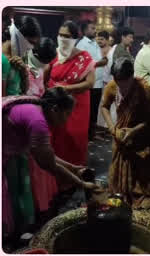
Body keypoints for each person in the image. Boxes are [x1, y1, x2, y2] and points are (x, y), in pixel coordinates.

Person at [2, 88, 100, 241]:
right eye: (67, 114)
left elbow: (49, 156)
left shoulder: (37, 109)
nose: (67, 120)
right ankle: (8, 238)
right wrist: (81, 183)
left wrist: (74, 168)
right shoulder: (38, 122)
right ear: (55, 110)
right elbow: (48, 164)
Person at [99, 58, 150, 203]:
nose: (121, 86)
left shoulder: (145, 91)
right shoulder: (112, 86)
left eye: (125, 82)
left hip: (142, 136)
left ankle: (137, 194)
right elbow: (104, 106)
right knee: (118, 169)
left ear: (132, 76)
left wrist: (133, 131)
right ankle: (120, 192)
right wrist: (112, 128)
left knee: (141, 174)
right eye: (118, 81)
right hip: (121, 135)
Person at [46, 21, 95, 167]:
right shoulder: (53, 54)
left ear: (74, 38)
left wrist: (68, 88)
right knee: (57, 138)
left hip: (77, 104)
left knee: (74, 137)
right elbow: (45, 77)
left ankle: (75, 171)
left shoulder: (84, 57)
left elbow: (90, 83)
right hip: (55, 103)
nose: (62, 39)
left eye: (66, 36)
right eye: (60, 35)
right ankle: (56, 175)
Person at [77, 22, 108, 141]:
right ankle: (86, 134)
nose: (95, 30)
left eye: (95, 28)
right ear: (84, 30)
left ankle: (91, 134)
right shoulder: (82, 44)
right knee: (88, 110)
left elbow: (98, 59)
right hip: (89, 83)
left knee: (94, 110)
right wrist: (99, 63)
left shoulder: (95, 43)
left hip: (98, 82)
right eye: (92, 28)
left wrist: (101, 61)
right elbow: (81, 63)